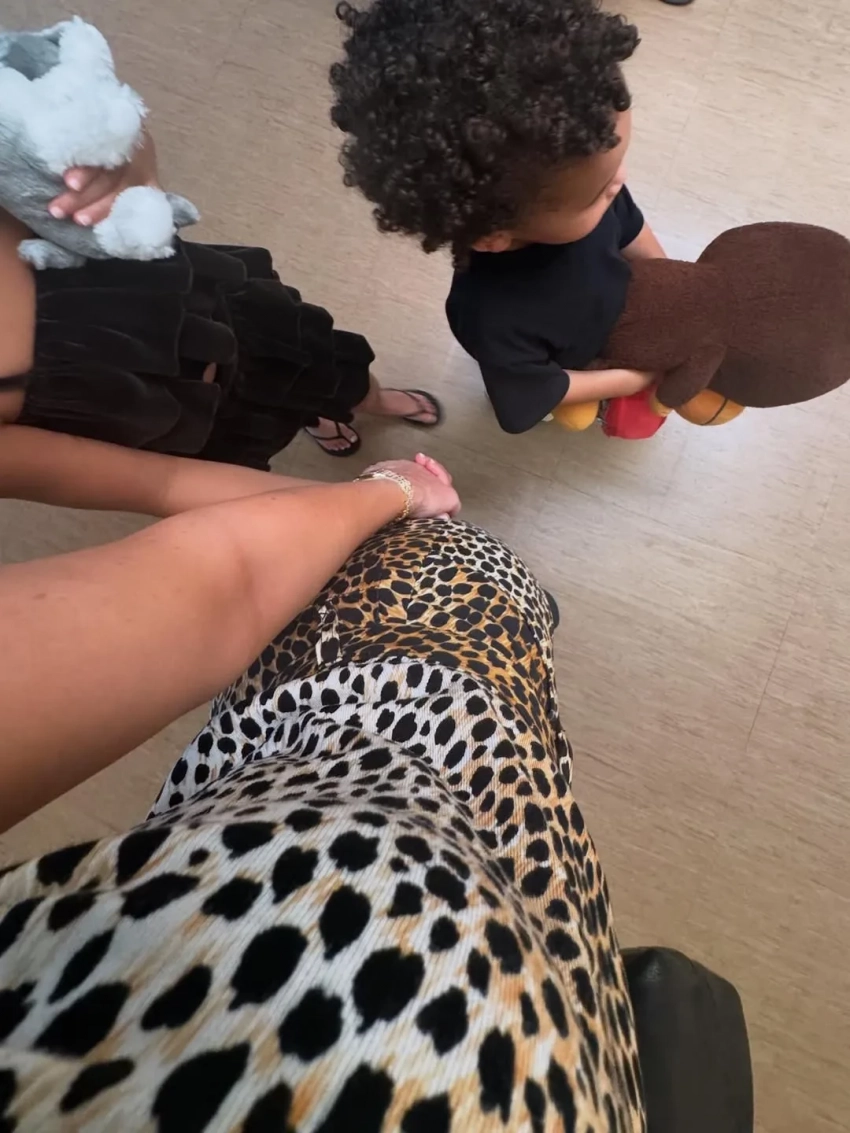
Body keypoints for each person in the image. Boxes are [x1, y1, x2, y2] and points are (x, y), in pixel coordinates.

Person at [0, 457, 644, 1130]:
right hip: (420, 784)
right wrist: (394, 489)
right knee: (442, 558)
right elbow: (226, 584)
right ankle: (508, 603)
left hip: (546, 997)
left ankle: (506, 607)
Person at [0, 129, 441, 466]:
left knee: (322, 360)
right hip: (179, 425)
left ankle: (368, 400)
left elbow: (114, 132)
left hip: (202, 306)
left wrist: (131, 180)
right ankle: (316, 414)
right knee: (271, 411)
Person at [330, 0, 669, 434]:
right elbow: (529, 394)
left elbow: (629, 225)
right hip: (579, 365)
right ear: (494, 235)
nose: (620, 182)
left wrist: (671, 276)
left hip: (624, 320)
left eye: (615, 168)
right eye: (600, 192)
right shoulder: (490, 317)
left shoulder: (583, 187)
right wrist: (636, 378)